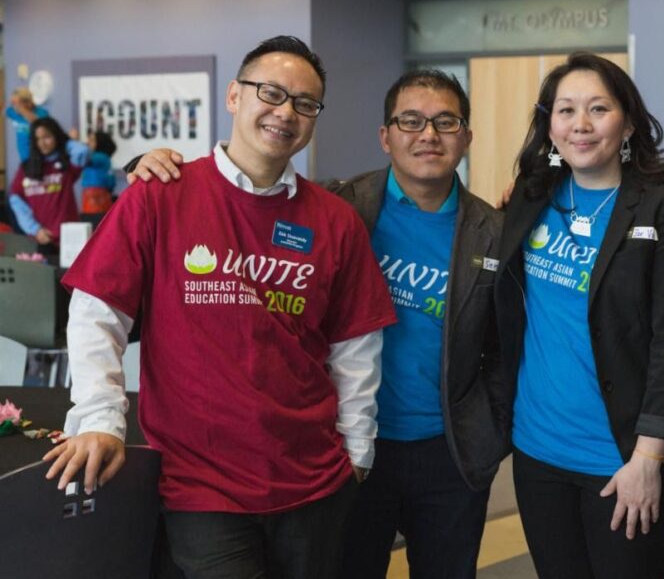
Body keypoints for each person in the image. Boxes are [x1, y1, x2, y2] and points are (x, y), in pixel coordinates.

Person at [129, 69, 511, 578]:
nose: (428, 135)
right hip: (344, 451)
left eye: (446, 122)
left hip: (449, 453)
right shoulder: (337, 207)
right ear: (386, 136)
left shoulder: (495, 233)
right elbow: (251, 190)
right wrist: (147, 164)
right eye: (411, 121)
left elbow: (508, 348)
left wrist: (491, 431)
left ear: (466, 136)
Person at [44, 35, 397, 578]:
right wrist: (100, 419)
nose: (286, 113)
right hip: (200, 486)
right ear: (235, 96)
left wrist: (358, 451)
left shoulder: (334, 220)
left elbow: (356, 346)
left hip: (315, 481)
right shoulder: (161, 192)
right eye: (272, 93)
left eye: (306, 104)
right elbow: (97, 311)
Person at [493, 52, 664, 578]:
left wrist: (649, 459)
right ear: (549, 123)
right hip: (537, 453)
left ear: (627, 121)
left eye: (598, 109)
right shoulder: (532, 194)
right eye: (565, 111)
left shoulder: (661, 206)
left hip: (624, 459)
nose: (580, 125)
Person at [8, 117, 89, 252]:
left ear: (56, 137)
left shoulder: (67, 164)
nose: (42, 143)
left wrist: (66, 141)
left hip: (70, 238)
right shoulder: (26, 168)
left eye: (47, 137)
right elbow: (16, 200)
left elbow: (82, 151)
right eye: (37, 139)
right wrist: (35, 229)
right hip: (39, 238)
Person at [6, 87, 50, 163]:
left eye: (16, 103)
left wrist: (23, 111)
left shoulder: (42, 113)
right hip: (24, 158)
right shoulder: (12, 112)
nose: (14, 106)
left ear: (27, 102)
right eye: (13, 103)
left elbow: (38, 123)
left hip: (40, 157)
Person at [80, 130, 117, 214]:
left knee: (93, 220)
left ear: (100, 142)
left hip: (94, 195)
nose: (88, 142)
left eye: (92, 140)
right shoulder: (105, 157)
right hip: (98, 194)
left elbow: (84, 159)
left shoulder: (99, 156)